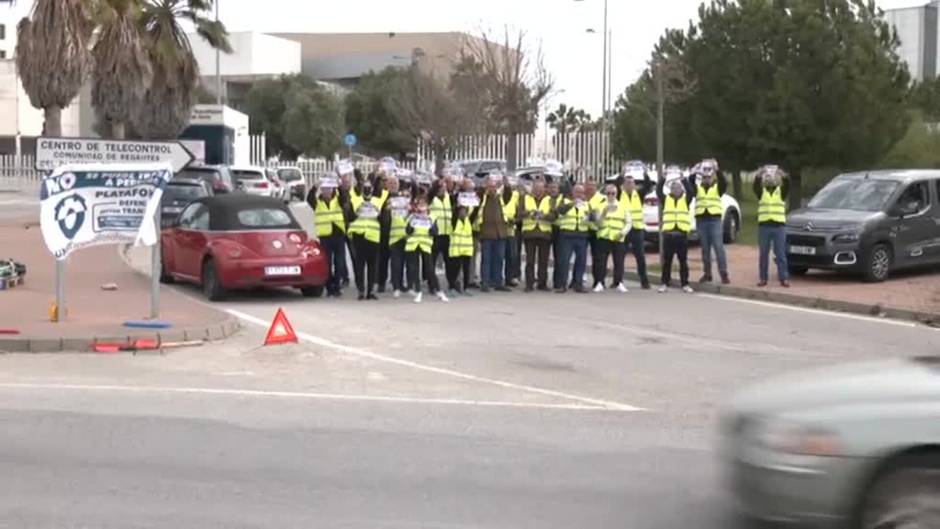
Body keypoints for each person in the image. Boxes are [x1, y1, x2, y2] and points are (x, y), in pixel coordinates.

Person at [689, 159, 730, 284]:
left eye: (709, 177)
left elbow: (724, 182)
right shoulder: (698, 189)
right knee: (705, 249)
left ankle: (723, 274)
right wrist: (695, 171)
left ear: (713, 178)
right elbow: (690, 182)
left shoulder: (718, 188)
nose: (707, 179)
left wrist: (717, 169)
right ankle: (707, 274)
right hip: (701, 220)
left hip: (714, 220)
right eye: (704, 177)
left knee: (718, 247)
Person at [306, 175, 347, 297]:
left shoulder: (338, 200)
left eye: (329, 189)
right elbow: (309, 198)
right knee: (327, 264)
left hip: (339, 236)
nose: (327, 192)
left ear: (332, 190)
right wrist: (315, 186)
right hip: (325, 237)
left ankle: (337, 286)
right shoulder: (317, 203)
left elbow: (345, 197)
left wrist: (339, 185)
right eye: (324, 189)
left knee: (339, 264)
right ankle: (330, 287)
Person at [348, 175, 387, 300]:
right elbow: (349, 217)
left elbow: (384, 220)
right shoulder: (355, 199)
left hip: (373, 236)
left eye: (369, 188)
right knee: (359, 265)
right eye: (365, 187)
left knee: (372, 266)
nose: (367, 189)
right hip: (358, 235)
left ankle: (370, 291)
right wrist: (355, 213)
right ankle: (361, 290)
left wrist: (380, 215)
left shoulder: (378, 200)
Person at [405, 196, 448, 303]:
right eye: (420, 204)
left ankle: (439, 291)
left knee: (430, 269)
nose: (422, 206)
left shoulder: (432, 217)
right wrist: (413, 223)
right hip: (413, 245)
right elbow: (408, 231)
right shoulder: (412, 217)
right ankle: (418, 292)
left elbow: (435, 232)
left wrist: (429, 227)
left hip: (426, 245)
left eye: (424, 204)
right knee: (414, 269)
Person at [754, 164, 790, 288]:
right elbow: (755, 186)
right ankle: (763, 278)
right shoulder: (762, 192)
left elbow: (788, 184)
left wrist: (782, 174)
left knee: (780, 254)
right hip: (764, 226)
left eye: (773, 177)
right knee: (763, 254)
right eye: (768, 177)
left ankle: (783, 278)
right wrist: (759, 174)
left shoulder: (781, 192)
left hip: (779, 226)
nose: (770, 179)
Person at [476, 173, 513, 292]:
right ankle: (485, 282)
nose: (492, 189)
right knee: (486, 259)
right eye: (490, 186)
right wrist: (484, 186)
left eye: (494, 186)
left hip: (500, 232)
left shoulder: (500, 197)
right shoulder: (483, 197)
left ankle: (497, 282)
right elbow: (479, 194)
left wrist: (506, 184)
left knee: (499, 259)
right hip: (487, 232)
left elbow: (508, 195)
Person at [657, 176, 694, 293]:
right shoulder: (666, 199)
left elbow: (691, 192)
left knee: (683, 261)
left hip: (681, 235)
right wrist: (663, 179)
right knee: (667, 261)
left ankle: (685, 283)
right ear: (670, 190)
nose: (675, 190)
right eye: (673, 188)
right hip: (669, 235)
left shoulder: (685, 200)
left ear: (681, 189)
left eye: (677, 188)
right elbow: (658, 191)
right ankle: (664, 283)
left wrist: (684, 180)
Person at [617, 169, 653, 289]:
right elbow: (616, 185)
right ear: (624, 184)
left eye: (631, 182)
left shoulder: (639, 194)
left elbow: (648, 185)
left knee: (640, 256)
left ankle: (644, 281)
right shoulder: (619, 194)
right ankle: (618, 281)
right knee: (620, 256)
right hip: (624, 230)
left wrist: (645, 173)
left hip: (637, 229)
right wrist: (621, 174)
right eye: (627, 182)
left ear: (634, 184)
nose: (629, 184)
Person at [554, 183, 592, 293]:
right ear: (573, 192)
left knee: (581, 261)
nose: (579, 195)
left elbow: (592, 218)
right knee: (564, 261)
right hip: (567, 235)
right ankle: (562, 284)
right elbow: (559, 211)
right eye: (577, 192)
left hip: (581, 235)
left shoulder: (586, 205)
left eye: (581, 192)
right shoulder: (565, 201)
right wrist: (571, 204)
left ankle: (578, 283)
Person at [594, 183, 631, 293]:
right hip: (604, 236)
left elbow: (628, 222)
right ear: (605, 194)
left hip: (618, 237)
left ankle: (619, 282)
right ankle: (600, 282)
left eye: (613, 193)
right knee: (601, 262)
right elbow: (598, 224)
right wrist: (604, 213)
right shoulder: (600, 206)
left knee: (619, 261)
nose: (610, 195)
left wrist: (623, 232)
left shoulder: (623, 206)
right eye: (608, 193)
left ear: (616, 194)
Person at [518, 179, 553, 292]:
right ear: (533, 189)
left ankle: (542, 283)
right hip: (530, 233)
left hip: (544, 233)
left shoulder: (549, 199)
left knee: (543, 260)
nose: (538, 191)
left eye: (540, 189)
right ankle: (529, 284)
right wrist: (529, 213)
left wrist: (544, 216)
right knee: (530, 261)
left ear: (544, 189)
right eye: (536, 188)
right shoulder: (525, 198)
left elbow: (554, 215)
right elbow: (519, 213)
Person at [381, 174, 410, 298]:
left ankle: (399, 283)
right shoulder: (382, 196)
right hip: (385, 233)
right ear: (386, 185)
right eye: (391, 183)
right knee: (385, 260)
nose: (393, 185)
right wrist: (386, 209)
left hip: (400, 234)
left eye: (395, 183)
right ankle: (384, 283)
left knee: (399, 261)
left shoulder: (403, 197)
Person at [429, 176, 455, 294]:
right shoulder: (432, 199)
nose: (445, 189)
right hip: (436, 234)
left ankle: (452, 283)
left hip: (447, 233)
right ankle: (432, 285)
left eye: (445, 187)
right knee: (432, 261)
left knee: (449, 261)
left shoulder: (448, 198)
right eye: (442, 187)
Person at [448, 204, 476, 296]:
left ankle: (466, 287)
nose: (463, 213)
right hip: (456, 250)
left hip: (466, 249)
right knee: (454, 270)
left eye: (465, 211)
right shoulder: (455, 221)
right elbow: (453, 216)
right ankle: (452, 287)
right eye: (461, 211)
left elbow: (475, 211)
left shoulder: (468, 220)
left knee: (466, 269)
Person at [585, 180, 606, 289]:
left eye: (592, 186)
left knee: (598, 258)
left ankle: (599, 281)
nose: (589, 188)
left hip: (596, 231)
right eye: (588, 186)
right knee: (581, 257)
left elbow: (603, 213)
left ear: (596, 187)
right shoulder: (582, 197)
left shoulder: (602, 198)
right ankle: (577, 280)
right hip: (583, 230)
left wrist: (593, 213)